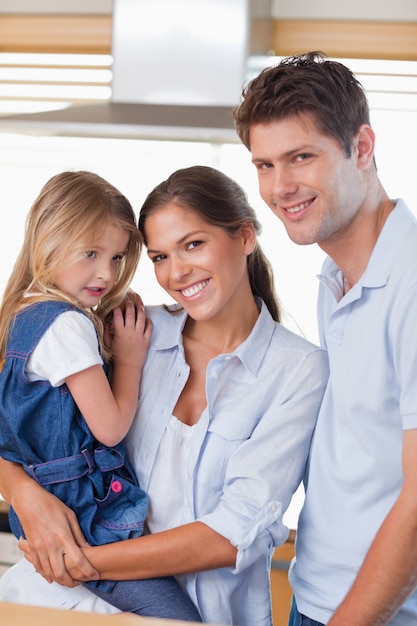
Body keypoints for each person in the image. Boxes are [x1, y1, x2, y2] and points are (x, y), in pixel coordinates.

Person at [0, 165, 329, 626]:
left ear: (245, 237)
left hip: (195, 613)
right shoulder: (130, 329)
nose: (176, 272)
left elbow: (231, 534)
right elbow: (24, 420)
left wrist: (81, 560)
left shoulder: (298, 370)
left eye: (193, 244)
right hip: (57, 602)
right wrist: (23, 493)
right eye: (158, 257)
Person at [232, 51, 417, 625]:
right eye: (264, 164)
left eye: (301, 158)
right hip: (316, 597)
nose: (279, 187)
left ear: (362, 148)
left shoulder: (410, 280)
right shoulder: (335, 273)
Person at [0, 170, 202, 622]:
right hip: (91, 521)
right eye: (90, 253)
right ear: (47, 240)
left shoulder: (19, 319)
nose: (105, 273)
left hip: (52, 517)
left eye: (115, 257)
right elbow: (109, 427)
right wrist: (129, 359)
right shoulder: (67, 324)